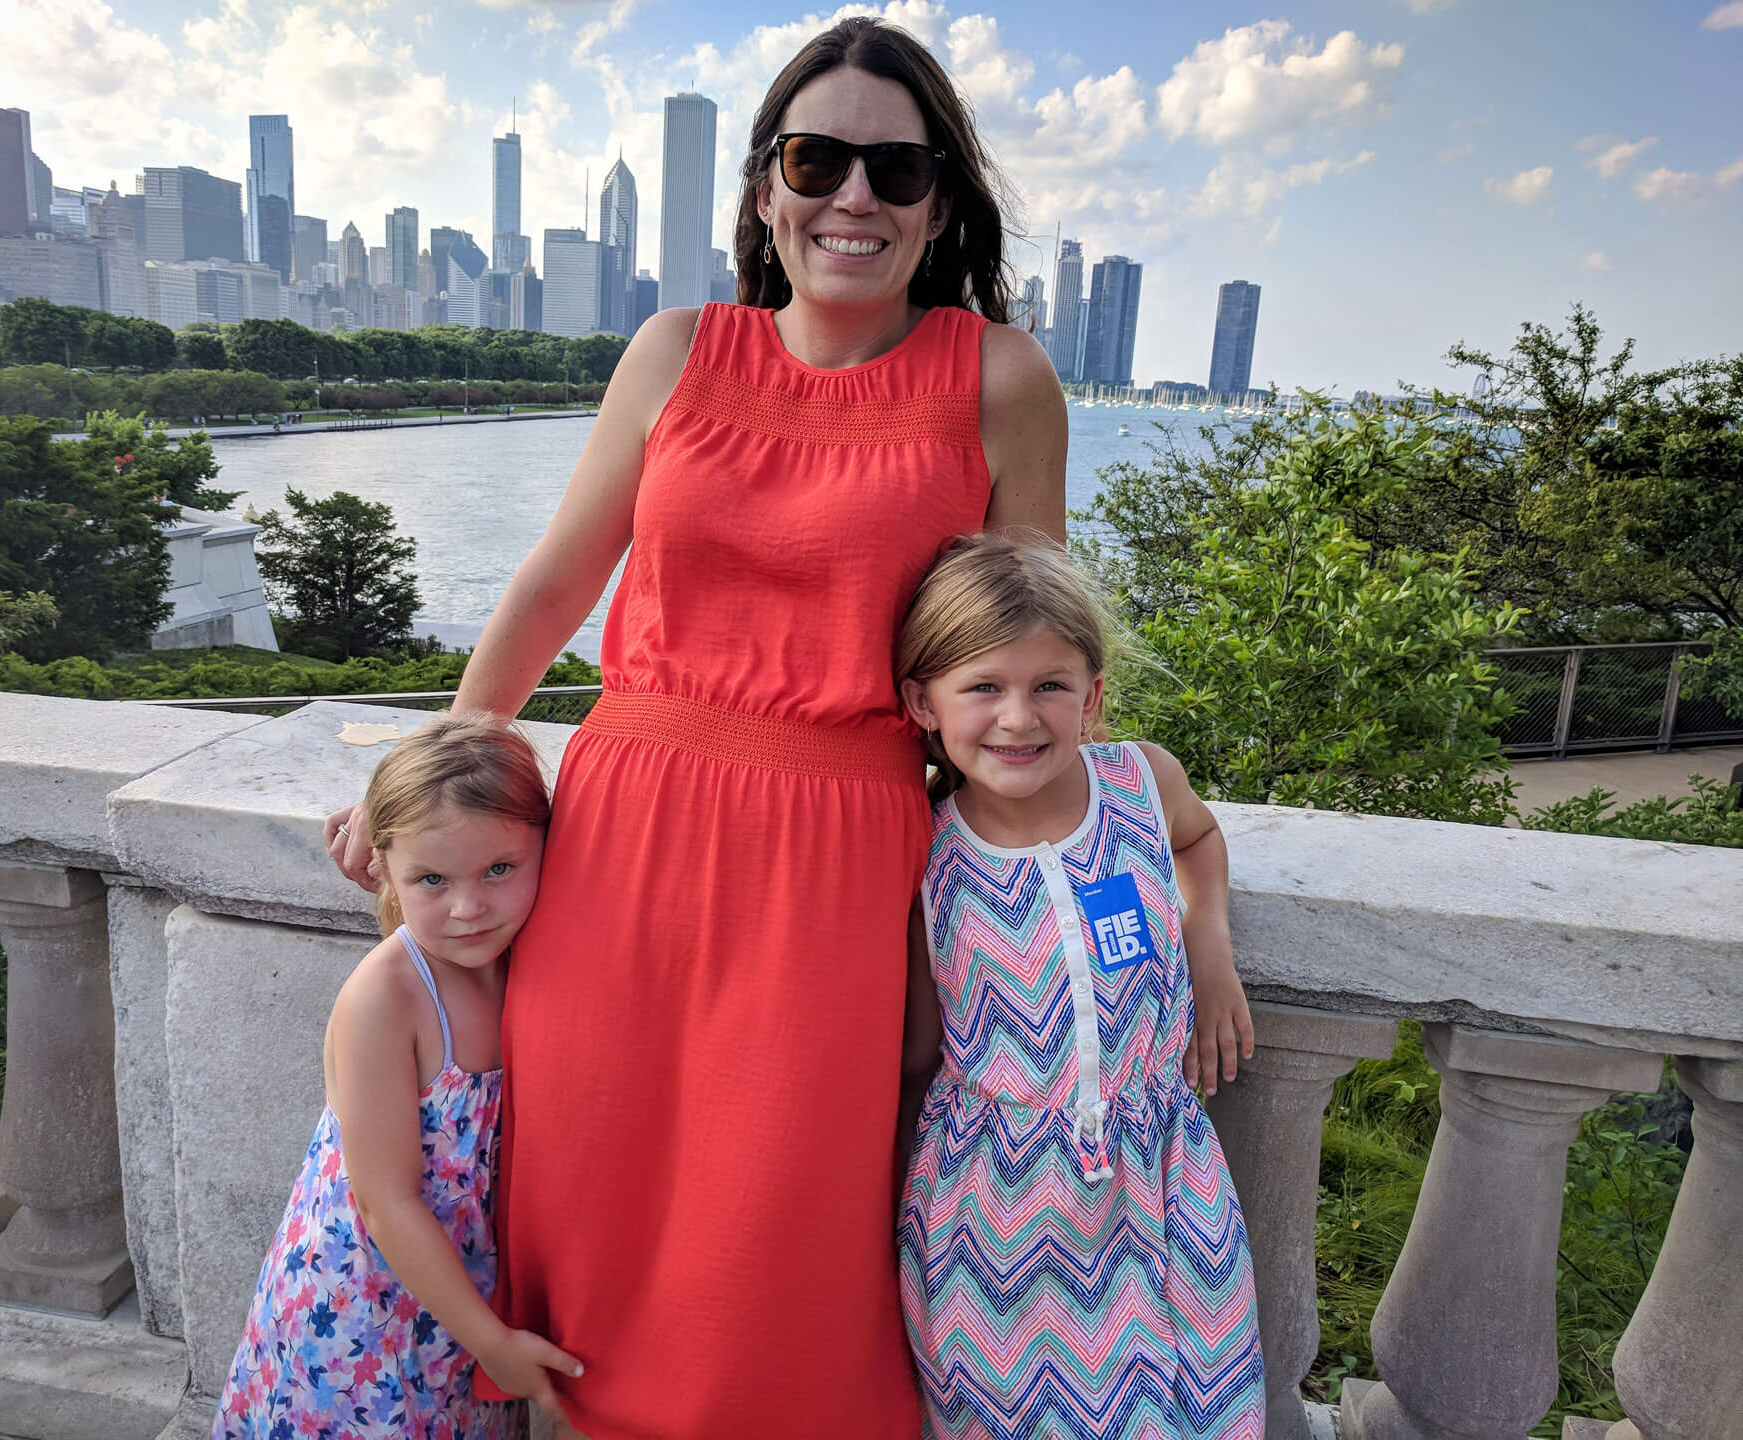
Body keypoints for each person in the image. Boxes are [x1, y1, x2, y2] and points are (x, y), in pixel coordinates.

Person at [325, 17, 1066, 1435]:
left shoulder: (1001, 381)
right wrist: (436, 768)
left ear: (941, 203)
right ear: (766, 191)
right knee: (594, 1193)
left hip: (838, 855)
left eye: (895, 170)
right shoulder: (677, 351)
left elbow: (1020, 657)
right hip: (622, 836)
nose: (855, 195)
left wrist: (1110, 854)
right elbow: (556, 581)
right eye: (818, 157)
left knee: (773, 1230)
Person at [894, 534, 1266, 1439]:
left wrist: (1208, 948)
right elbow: (916, 1051)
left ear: (1092, 697)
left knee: (1203, 1400)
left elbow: (1199, 840)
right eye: (983, 686)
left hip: (1168, 1174)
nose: (1019, 718)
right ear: (922, 703)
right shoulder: (923, 852)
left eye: (1049, 686)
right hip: (997, 1209)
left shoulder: (1141, 782)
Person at [216, 717, 583, 1438]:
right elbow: (387, 1204)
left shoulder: (524, 963)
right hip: (362, 1313)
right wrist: (492, 1343)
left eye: (499, 870)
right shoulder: (387, 998)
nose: (468, 907)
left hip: (463, 1299)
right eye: (432, 880)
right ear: (380, 865)